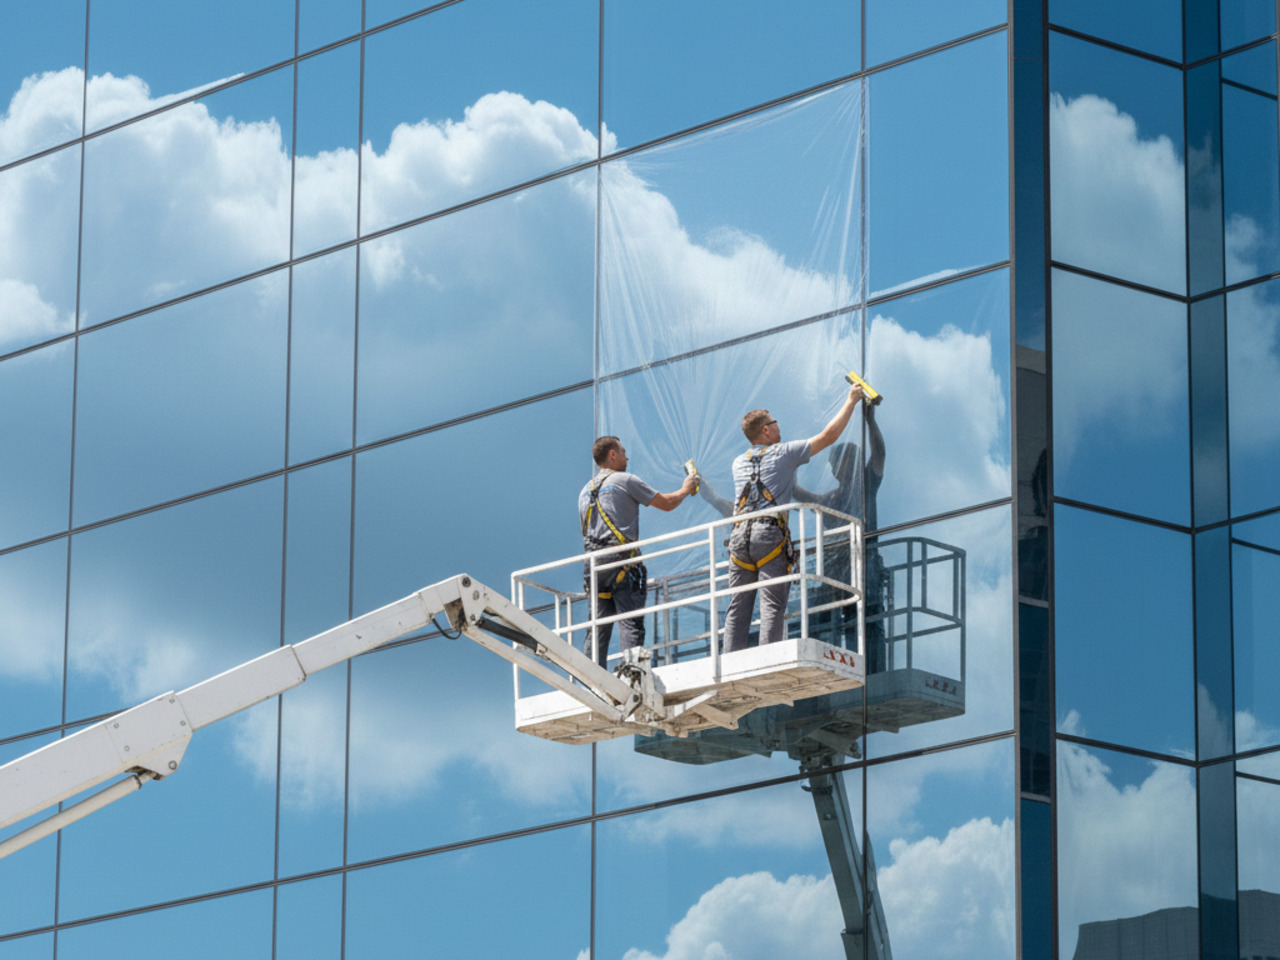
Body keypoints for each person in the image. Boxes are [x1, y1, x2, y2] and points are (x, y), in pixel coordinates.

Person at [721, 382, 865, 652]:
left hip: (739, 538)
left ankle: (729, 660)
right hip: (768, 534)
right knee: (772, 605)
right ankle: (768, 658)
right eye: (774, 423)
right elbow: (828, 436)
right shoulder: (783, 453)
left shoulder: (737, 462)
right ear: (766, 429)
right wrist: (851, 400)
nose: (778, 426)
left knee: (738, 607)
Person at [579, 437, 698, 669]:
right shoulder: (625, 480)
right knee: (630, 621)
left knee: (597, 627)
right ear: (612, 454)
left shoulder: (585, 491)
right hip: (620, 560)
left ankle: (590, 678)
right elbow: (667, 503)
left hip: (593, 566)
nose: (627, 457)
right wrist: (686, 489)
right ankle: (632, 673)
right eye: (623, 452)